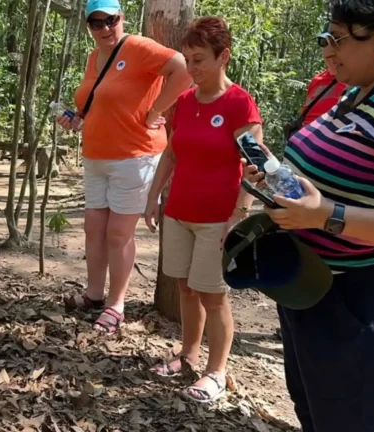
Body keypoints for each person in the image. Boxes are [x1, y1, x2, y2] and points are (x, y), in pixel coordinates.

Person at [243, 1, 374, 429]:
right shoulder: (352, 93)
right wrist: (277, 175)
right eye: (323, 40)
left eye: (337, 39)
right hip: (307, 286)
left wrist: (327, 215)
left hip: (355, 299)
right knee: (315, 413)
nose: (327, 51)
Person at [144, 17, 262, 403]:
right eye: (187, 60)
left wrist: (239, 216)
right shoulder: (186, 101)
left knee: (213, 294)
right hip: (179, 210)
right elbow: (172, 151)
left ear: (223, 57)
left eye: (200, 60)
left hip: (218, 218)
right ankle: (188, 356)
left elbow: (253, 165)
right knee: (185, 288)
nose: (192, 69)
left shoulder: (239, 104)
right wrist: (153, 196)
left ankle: (215, 371)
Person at [56, 0, 191, 333]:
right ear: (88, 26)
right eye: (96, 23)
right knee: (93, 228)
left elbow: (183, 69)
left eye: (110, 20)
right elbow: (98, 100)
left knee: (118, 233)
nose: (104, 29)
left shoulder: (138, 46)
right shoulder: (94, 57)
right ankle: (94, 293)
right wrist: (76, 118)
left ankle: (117, 305)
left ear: (121, 18)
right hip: (96, 155)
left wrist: (157, 109)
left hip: (134, 156)